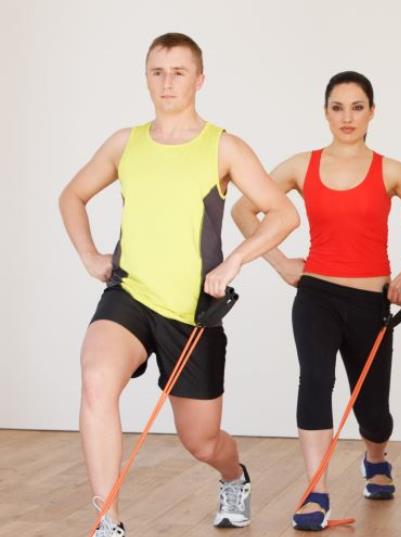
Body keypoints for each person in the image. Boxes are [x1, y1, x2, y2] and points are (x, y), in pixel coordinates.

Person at [58, 33, 299, 537]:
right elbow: (72, 196)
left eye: (179, 72)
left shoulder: (224, 147)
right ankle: (108, 522)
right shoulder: (126, 143)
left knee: (201, 442)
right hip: (129, 294)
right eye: (157, 71)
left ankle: (234, 477)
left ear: (200, 79)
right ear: (146, 76)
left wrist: (234, 260)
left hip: (193, 311)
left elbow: (283, 214)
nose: (167, 82)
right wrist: (90, 256)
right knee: (96, 379)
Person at [232, 71, 401, 531]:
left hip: (371, 301)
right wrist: (278, 261)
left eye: (357, 107)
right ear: (325, 112)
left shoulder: (389, 170)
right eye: (338, 107)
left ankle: (376, 458)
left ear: (372, 111)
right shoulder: (301, 165)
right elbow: (243, 209)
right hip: (315, 294)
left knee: (373, 412)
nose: (347, 117)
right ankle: (317, 489)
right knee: (315, 381)